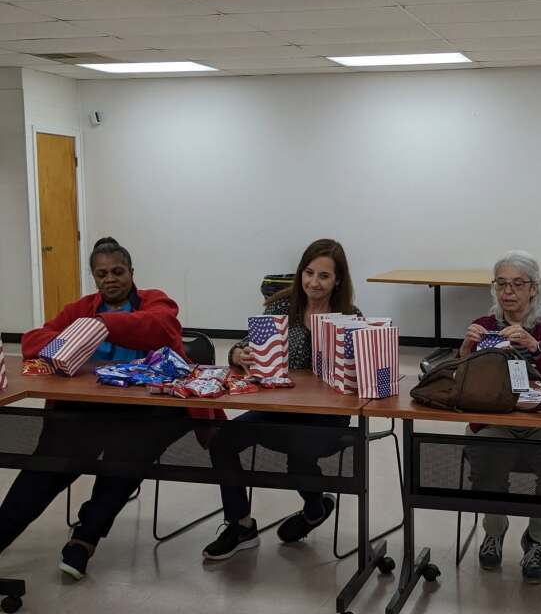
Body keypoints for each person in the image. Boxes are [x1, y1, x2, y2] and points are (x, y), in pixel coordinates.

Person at [0, 237, 190, 580]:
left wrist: (102, 325)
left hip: (146, 410)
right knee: (45, 468)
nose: (110, 279)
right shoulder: (83, 308)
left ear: (131, 273)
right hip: (88, 407)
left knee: (126, 458)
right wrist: (78, 331)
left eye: (118, 271)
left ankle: (85, 539)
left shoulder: (154, 302)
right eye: (102, 273)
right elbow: (32, 340)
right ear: (94, 277)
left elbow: (161, 326)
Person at [202, 239, 360, 561]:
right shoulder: (280, 305)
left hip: (325, 415)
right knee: (222, 441)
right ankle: (241, 525)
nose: (314, 282)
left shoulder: (349, 316)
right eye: (308, 272)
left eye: (324, 276)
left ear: (338, 280)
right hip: (278, 406)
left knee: (300, 449)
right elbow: (246, 345)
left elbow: (360, 371)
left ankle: (315, 506)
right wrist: (237, 353)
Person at [460, 251, 541, 584]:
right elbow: (463, 380)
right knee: (483, 449)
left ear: (533, 288)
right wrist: (467, 350)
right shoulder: (485, 326)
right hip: (497, 420)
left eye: (517, 284)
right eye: (501, 284)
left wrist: (535, 346)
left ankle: (536, 540)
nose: (508, 291)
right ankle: (494, 533)